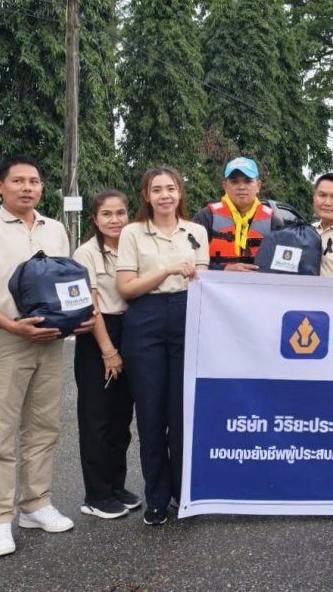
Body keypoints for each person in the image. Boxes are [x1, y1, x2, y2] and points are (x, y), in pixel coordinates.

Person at [0, 155, 92, 557]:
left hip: (50, 340)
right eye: (17, 181)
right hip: (6, 339)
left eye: (34, 181)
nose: (27, 188)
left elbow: (67, 281)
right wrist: (12, 325)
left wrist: (78, 316)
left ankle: (36, 504)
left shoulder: (55, 229)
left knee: (44, 427)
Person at [116, 166, 209, 526]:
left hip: (188, 317)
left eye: (171, 188)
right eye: (157, 190)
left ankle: (183, 495)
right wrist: (168, 270)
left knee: (182, 413)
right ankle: (156, 497)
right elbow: (126, 288)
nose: (165, 195)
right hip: (146, 319)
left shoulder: (196, 231)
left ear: (180, 193)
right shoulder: (133, 233)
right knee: (151, 414)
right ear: (146, 196)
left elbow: (203, 281)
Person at [71, 190, 141, 520]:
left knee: (121, 419)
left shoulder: (133, 246)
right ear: (95, 220)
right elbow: (92, 307)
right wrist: (108, 351)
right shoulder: (86, 253)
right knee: (96, 417)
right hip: (99, 336)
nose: (115, 220)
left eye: (121, 213)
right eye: (107, 215)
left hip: (132, 329)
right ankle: (96, 494)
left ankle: (116, 485)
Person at [193, 157, 273, 271]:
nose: (241, 187)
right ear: (225, 186)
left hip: (258, 287)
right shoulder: (206, 217)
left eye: (248, 181)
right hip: (216, 287)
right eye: (234, 181)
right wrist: (224, 269)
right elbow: (189, 261)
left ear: (258, 186)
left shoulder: (273, 220)